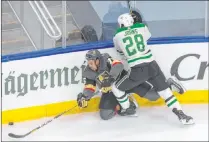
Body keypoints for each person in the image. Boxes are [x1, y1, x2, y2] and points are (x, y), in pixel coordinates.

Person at [112, 13, 194, 125]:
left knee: (116, 87)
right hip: (152, 65)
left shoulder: (117, 35)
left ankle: (128, 109)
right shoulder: (141, 27)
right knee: (165, 92)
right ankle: (182, 115)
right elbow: (147, 36)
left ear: (120, 24)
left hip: (137, 69)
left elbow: (120, 51)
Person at [77, 49, 188, 121]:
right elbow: (89, 87)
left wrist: (110, 78)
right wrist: (85, 96)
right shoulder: (88, 72)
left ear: (97, 60)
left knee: (153, 97)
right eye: (88, 62)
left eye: (91, 62)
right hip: (111, 91)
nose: (90, 65)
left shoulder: (106, 59)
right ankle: (128, 101)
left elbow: (118, 65)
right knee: (105, 115)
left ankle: (169, 85)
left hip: (126, 82)